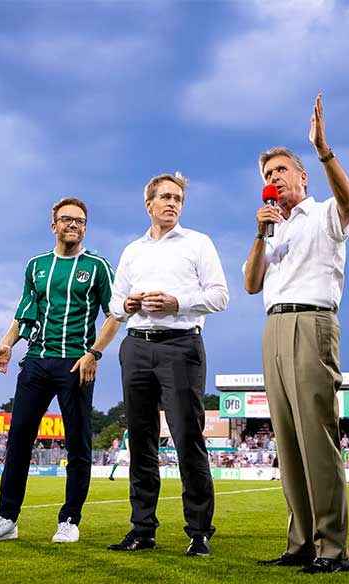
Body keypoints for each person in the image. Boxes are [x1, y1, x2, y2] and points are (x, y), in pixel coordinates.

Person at [243, 94, 349, 574]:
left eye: (282, 171)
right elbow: (250, 284)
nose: (274, 181)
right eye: (268, 176)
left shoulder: (326, 212)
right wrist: (260, 233)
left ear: (302, 176)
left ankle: (333, 548)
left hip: (312, 322)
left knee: (317, 436)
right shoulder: (274, 228)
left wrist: (323, 148)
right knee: (287, 440)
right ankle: (300, 542)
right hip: (273, 325)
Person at [0, 197, 120, 544]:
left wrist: (94, 354)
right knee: (19, 439)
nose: (73, 225)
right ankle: (7, 519)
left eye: (80, 221)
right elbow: (25, 312)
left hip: (76, 364)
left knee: (79, 444)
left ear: (86, 228)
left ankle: (69, 520)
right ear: (53, 225)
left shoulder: (98, 267)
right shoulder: (36, 266)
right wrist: (7, 343)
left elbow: (115, 314)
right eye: (67, 219)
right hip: (37, 361)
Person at [106, 172, 229, 557]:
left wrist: (178, 303)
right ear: (149, 204)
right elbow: (114, 304)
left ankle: (198, 532)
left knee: (187, 439)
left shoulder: (198, 243)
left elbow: (220, 296)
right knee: (141, 442)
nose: (173, 203)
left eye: (178, 198)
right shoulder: (132, 251)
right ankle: (142, 529)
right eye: (165, 197)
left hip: (181, 345)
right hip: (136, 346)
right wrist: (124, 306)